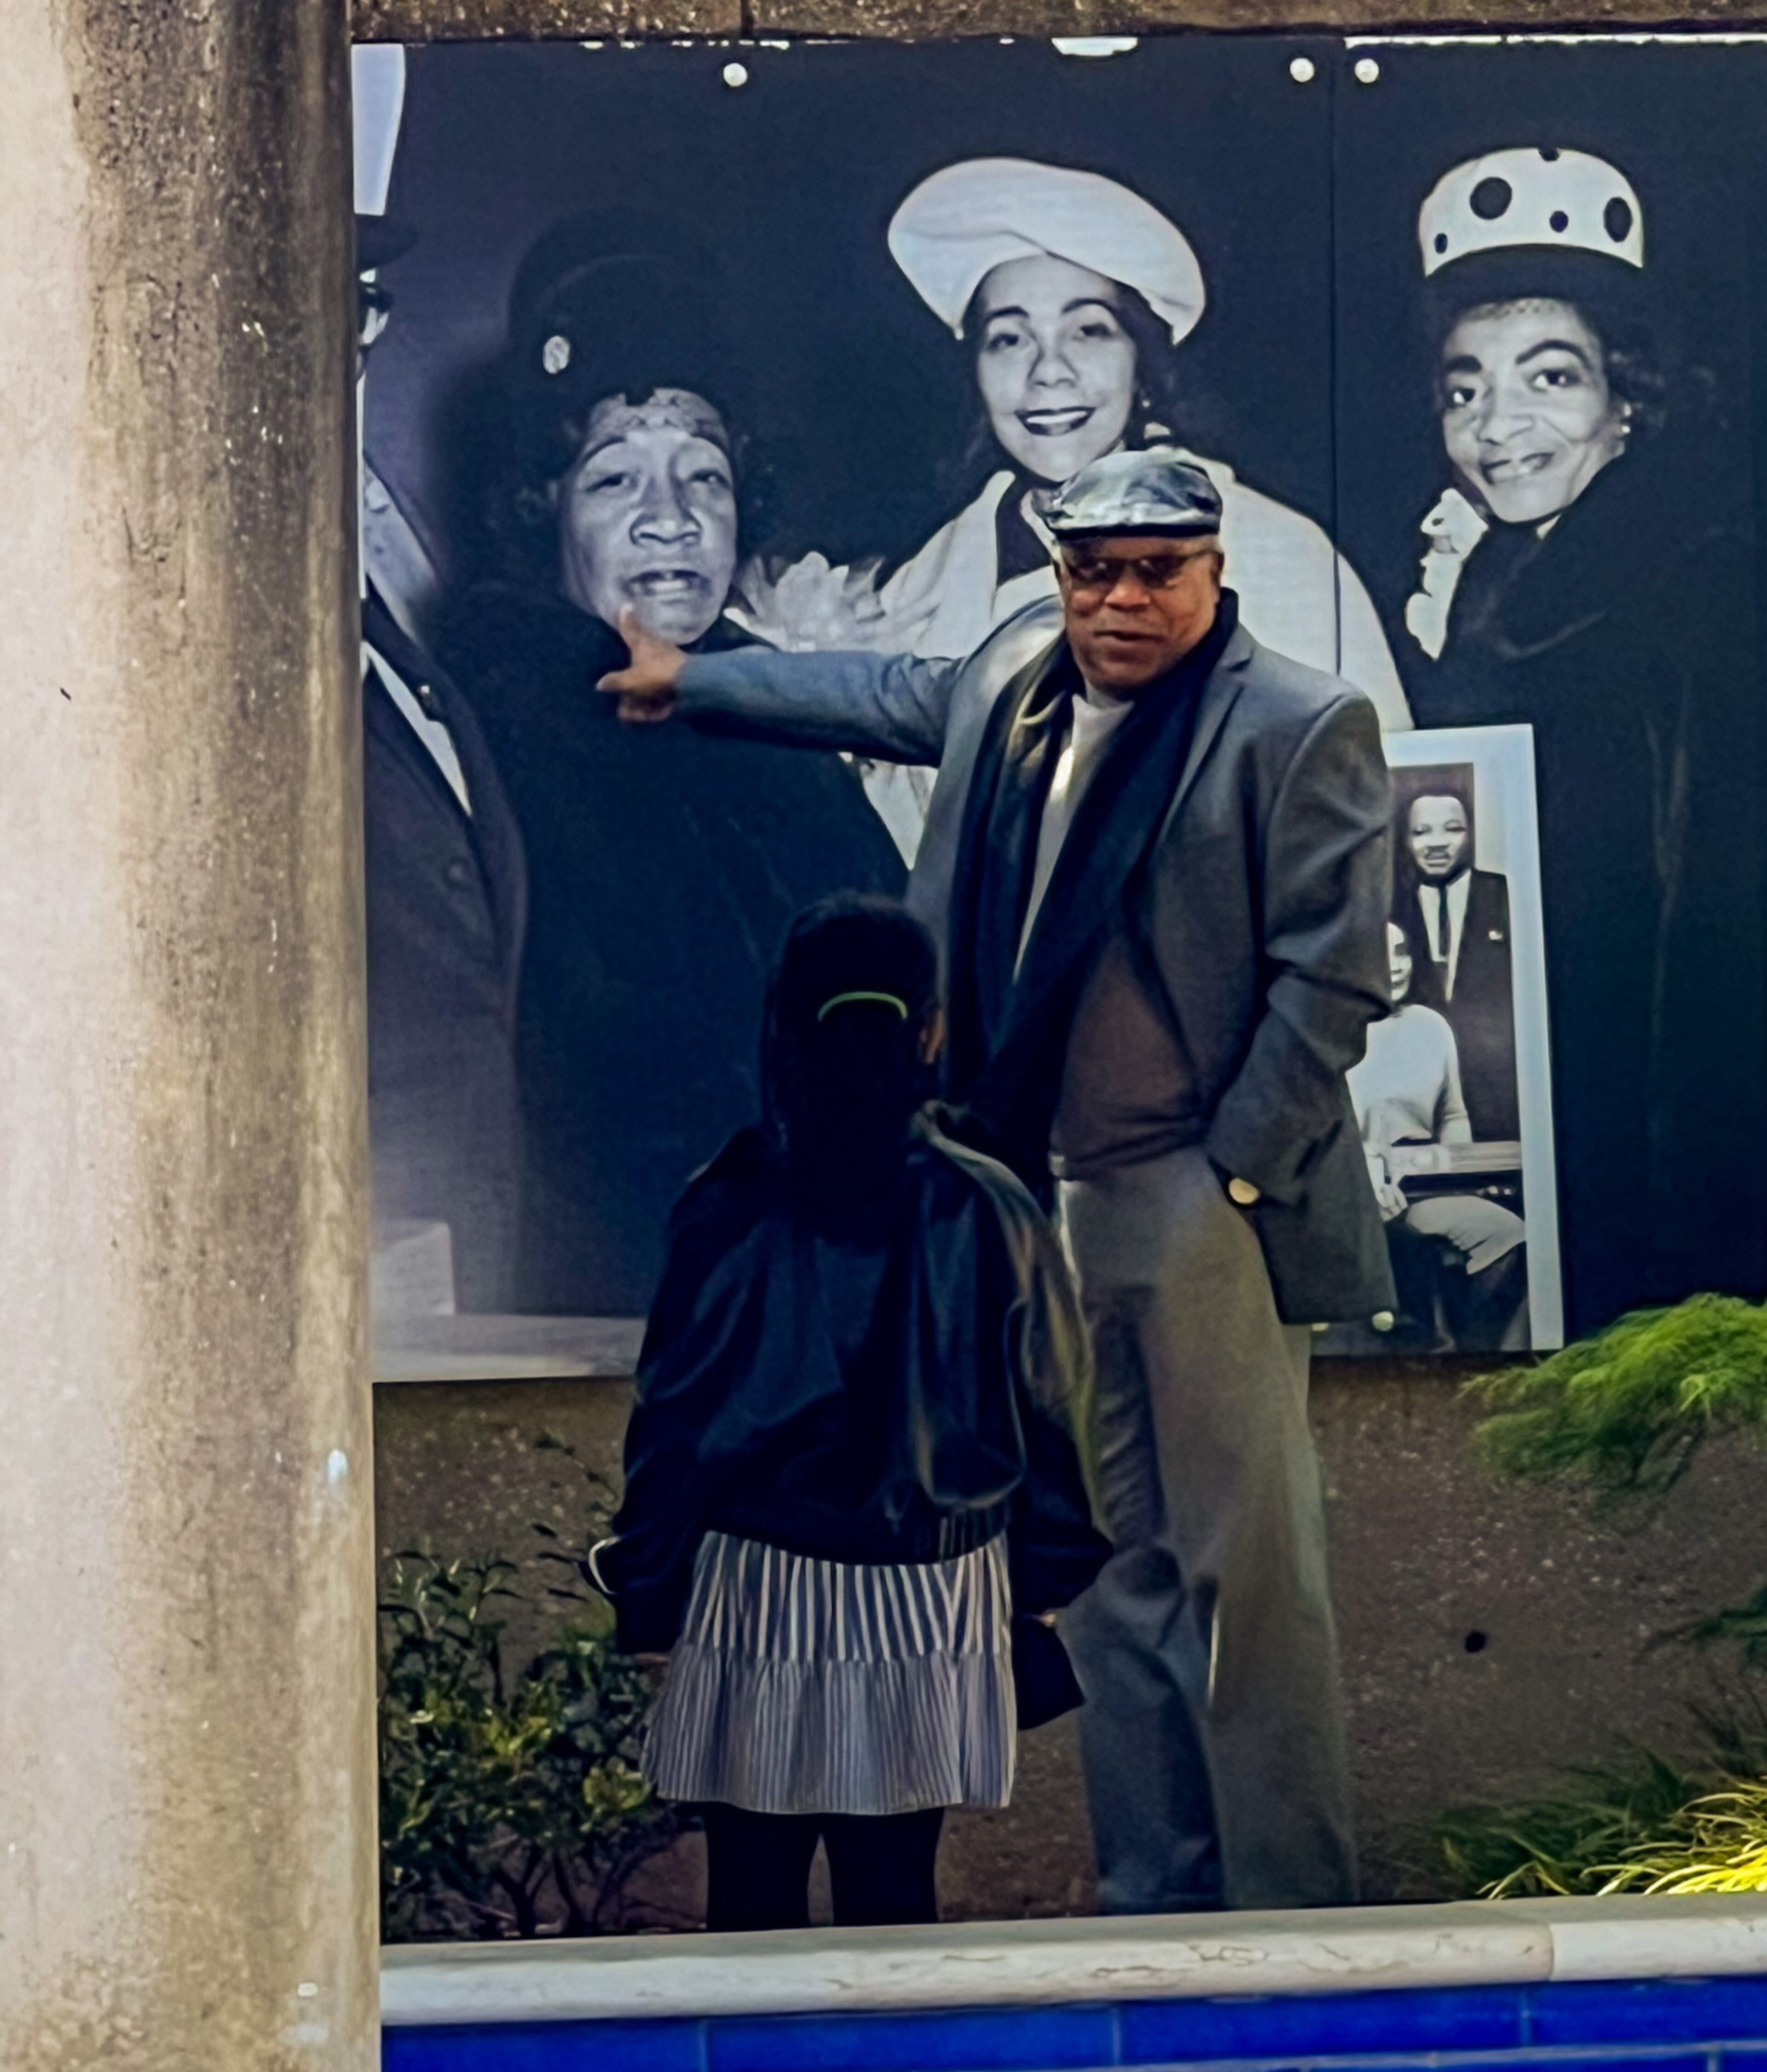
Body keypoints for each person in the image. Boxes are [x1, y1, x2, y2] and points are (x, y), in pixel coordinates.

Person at [601, 449, 1396, 1913]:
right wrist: (695, 682)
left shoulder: (1296, 720)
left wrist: (1230, 1170)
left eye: (1155, 568)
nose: (1121, 597)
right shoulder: (1016, 677)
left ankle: (1292, 1906)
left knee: (1247, 1578)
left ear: (1211, 568)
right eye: (1093, 568)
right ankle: (1156, 1887)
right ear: (1056, 572)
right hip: (1033, 1194)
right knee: (1102, 1574)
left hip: (1189, 1188)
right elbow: (886, 696)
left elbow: (1334, 977)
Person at [591, 897, 1109, 1932]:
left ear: (784, 1021)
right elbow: (1052, 1403)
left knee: (750, 1899)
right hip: (935, 1582)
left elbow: (678, 1420)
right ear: (929, 1028)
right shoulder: (991, 1201)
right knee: (894, 1897)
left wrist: (647, 1589)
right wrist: (1043, 1578)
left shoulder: (731, 1198)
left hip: (755, 1580)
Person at [444, 212, 904, 1316]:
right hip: (637, 1316)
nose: (671, 520)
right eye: (614, 481)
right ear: (539, 508)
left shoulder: (778, 713)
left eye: (703, 476)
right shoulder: (498, 734)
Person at [735, 157, 1409, 860]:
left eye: (1088, 331)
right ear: (975, 371)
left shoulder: (1285, 563)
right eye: (1009, 337)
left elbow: (1391, 819)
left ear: (1141, 362)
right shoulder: (911, 603)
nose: (1047, 371)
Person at [1398, 144, 1765, 1330]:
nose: (1495, 425)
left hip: (1663, 1189)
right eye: (1463, 387)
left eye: (1547, 378)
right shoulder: (1515, 589)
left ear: (1628, 398)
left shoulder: (1696, 603)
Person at [355, 52, 528, 1316]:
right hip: (351, 1252)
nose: (347, 344)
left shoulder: (374, 609)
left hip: (468, 1244)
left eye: (359, 303)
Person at [1351, 921, 1528, 1352]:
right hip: (1352, 1196)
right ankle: (1423, 1341)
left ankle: (1474, 1352)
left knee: (1509, 1233)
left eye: (1401, 951)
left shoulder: (1430, 1027)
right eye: (1378, 952)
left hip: (1422, 1190)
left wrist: (1464, 1171)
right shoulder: (1331, 1030)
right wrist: (1361, 1173)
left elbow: (1454, 1114)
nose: (1393, 966)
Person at [1396, 779, 1518, 1140]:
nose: (1436, 843)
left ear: (1472, 834)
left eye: (1453, 829)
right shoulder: (1386, 908)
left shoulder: (1507, 897)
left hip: (1501, 1104)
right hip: (1417, 1112)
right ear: (1405, 840)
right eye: (1421, 832)